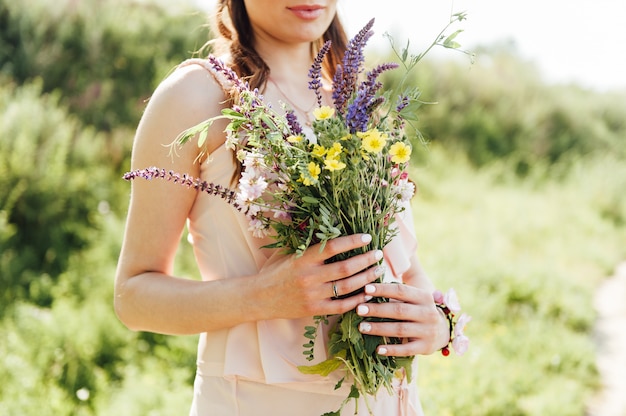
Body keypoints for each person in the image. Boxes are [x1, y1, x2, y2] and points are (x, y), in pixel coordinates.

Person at [114, 1, 452, 414]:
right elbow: (132, 297)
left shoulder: (360, 104)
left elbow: (405, 266)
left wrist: (438, 323)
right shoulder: (193, 97)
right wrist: (263, 296)